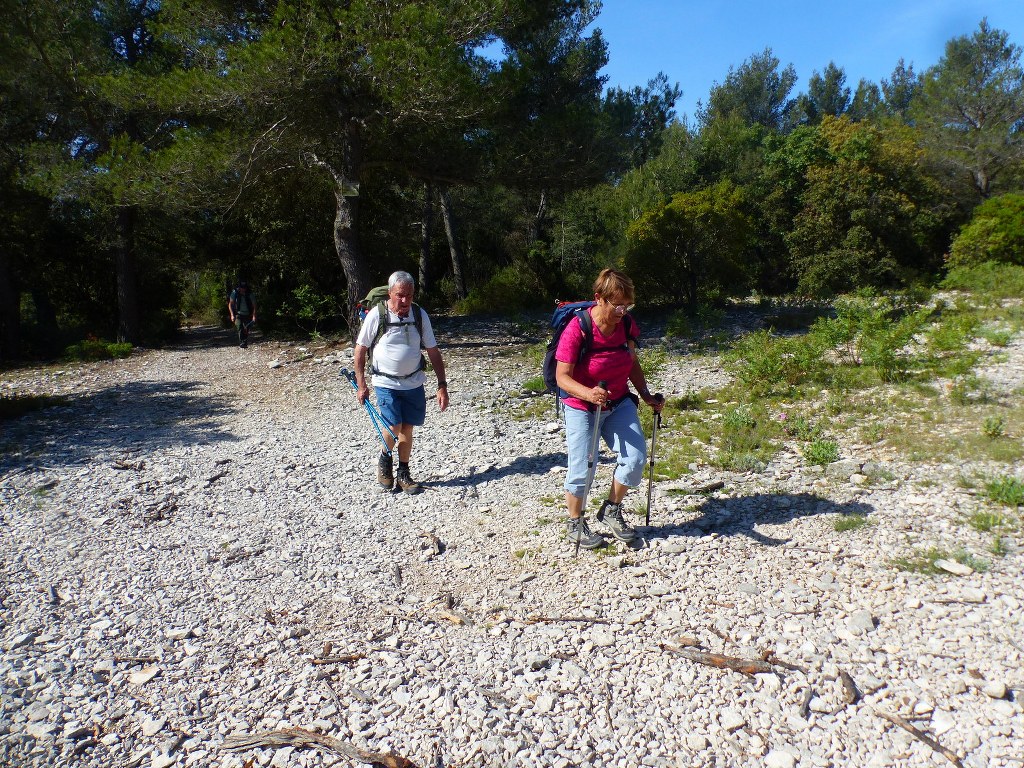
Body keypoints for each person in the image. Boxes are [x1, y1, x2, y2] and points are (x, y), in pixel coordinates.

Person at [555, 268, 664, 549]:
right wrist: (589, 393)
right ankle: (575, 522)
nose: (622, 310)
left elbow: (631, 362)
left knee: (636, 457)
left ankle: (611, 509)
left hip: (617, 402)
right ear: (599, 299)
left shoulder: (626, 324)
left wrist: (645, 394)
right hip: (581, 405)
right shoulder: (578, 328)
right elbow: (562, 377)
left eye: (628, 305)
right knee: (582, 467)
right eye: (617, 304)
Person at [353, 271, 448, 494]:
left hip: (414, 382)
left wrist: (442, 385)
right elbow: (360, 350)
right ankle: (385, 460)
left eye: (409, 295)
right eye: (400, 295)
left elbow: (433, 351)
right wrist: (361, 384)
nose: (404, 301)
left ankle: (403, 473)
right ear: (390, 293)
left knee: (407, 427)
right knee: (394, 425)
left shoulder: (419, 314)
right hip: (385, 382)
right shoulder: (377, 315)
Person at [228, 281, 257, 348]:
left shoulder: (249, 293)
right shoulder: (235, 293)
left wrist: (254, 315)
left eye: (244, 288)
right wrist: (232, 315)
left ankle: (244, 341)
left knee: (246, 328)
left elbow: (254, 305)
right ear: (239, 287)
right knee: (239, 326)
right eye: (242, 288)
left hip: (248, 313)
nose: (243, 289)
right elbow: (230, 304)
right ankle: (242, 342)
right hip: (237, 313)